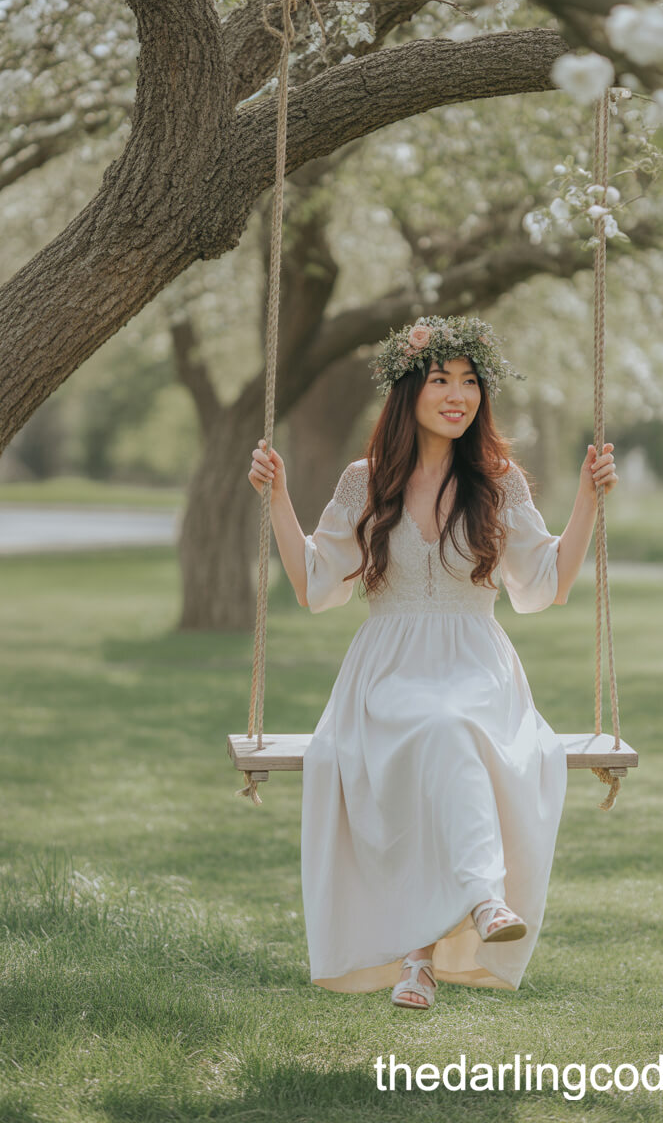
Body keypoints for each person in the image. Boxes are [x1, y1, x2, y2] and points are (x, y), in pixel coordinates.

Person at [248, 314, 618, 1010]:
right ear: (408, 391)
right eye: (441, 380)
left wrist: (587, 501)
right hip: (386, 669)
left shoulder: (498, 484)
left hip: (477, 667)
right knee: (428, 732)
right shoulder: (366, 483)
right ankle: (472, 908)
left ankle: (434, 944)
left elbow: (548, 582)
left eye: (470, 382)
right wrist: (277, 500)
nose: (459, 395)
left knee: (446, 727)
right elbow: (317, 583)